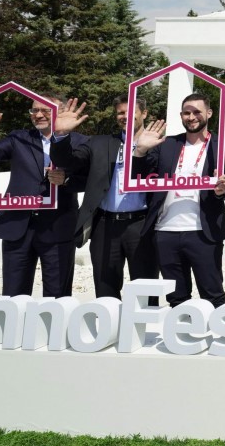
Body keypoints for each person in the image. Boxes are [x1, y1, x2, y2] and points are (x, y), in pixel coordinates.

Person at [0, 94, 86, 298]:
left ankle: (53, 330)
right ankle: (15, 330)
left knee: (57, 295)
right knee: (13, 296)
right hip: (17, 226)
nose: (38, 115)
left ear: (62, 112)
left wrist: (66, 180)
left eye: (45, 110)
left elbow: (91, 179)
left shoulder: (81, 142)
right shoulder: (19, 138)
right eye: (34, 110)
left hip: (58, 227)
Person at [132, 93, 225, 307]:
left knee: (213, 294)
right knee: (176, 297)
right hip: (165, 231)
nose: (191, 117)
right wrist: (141, 150)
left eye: (197, 112)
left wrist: (223, 190)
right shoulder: (167, 144)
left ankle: (218, 337)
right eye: (186, 113)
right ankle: (182, 336)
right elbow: (139, 177)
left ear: (209, 113)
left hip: (204, 231)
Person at [50, 95, 159, 299]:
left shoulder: (160, 144)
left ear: (144, 113)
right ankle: (111, 330)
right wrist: (62, 135)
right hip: (105, 226)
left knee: (146, 291)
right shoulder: (99, 143)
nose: (124, 116)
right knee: (105, 289)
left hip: (142, 226)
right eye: (120, 112)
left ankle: (142, 330)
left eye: (130, 112)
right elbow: (69, 161)